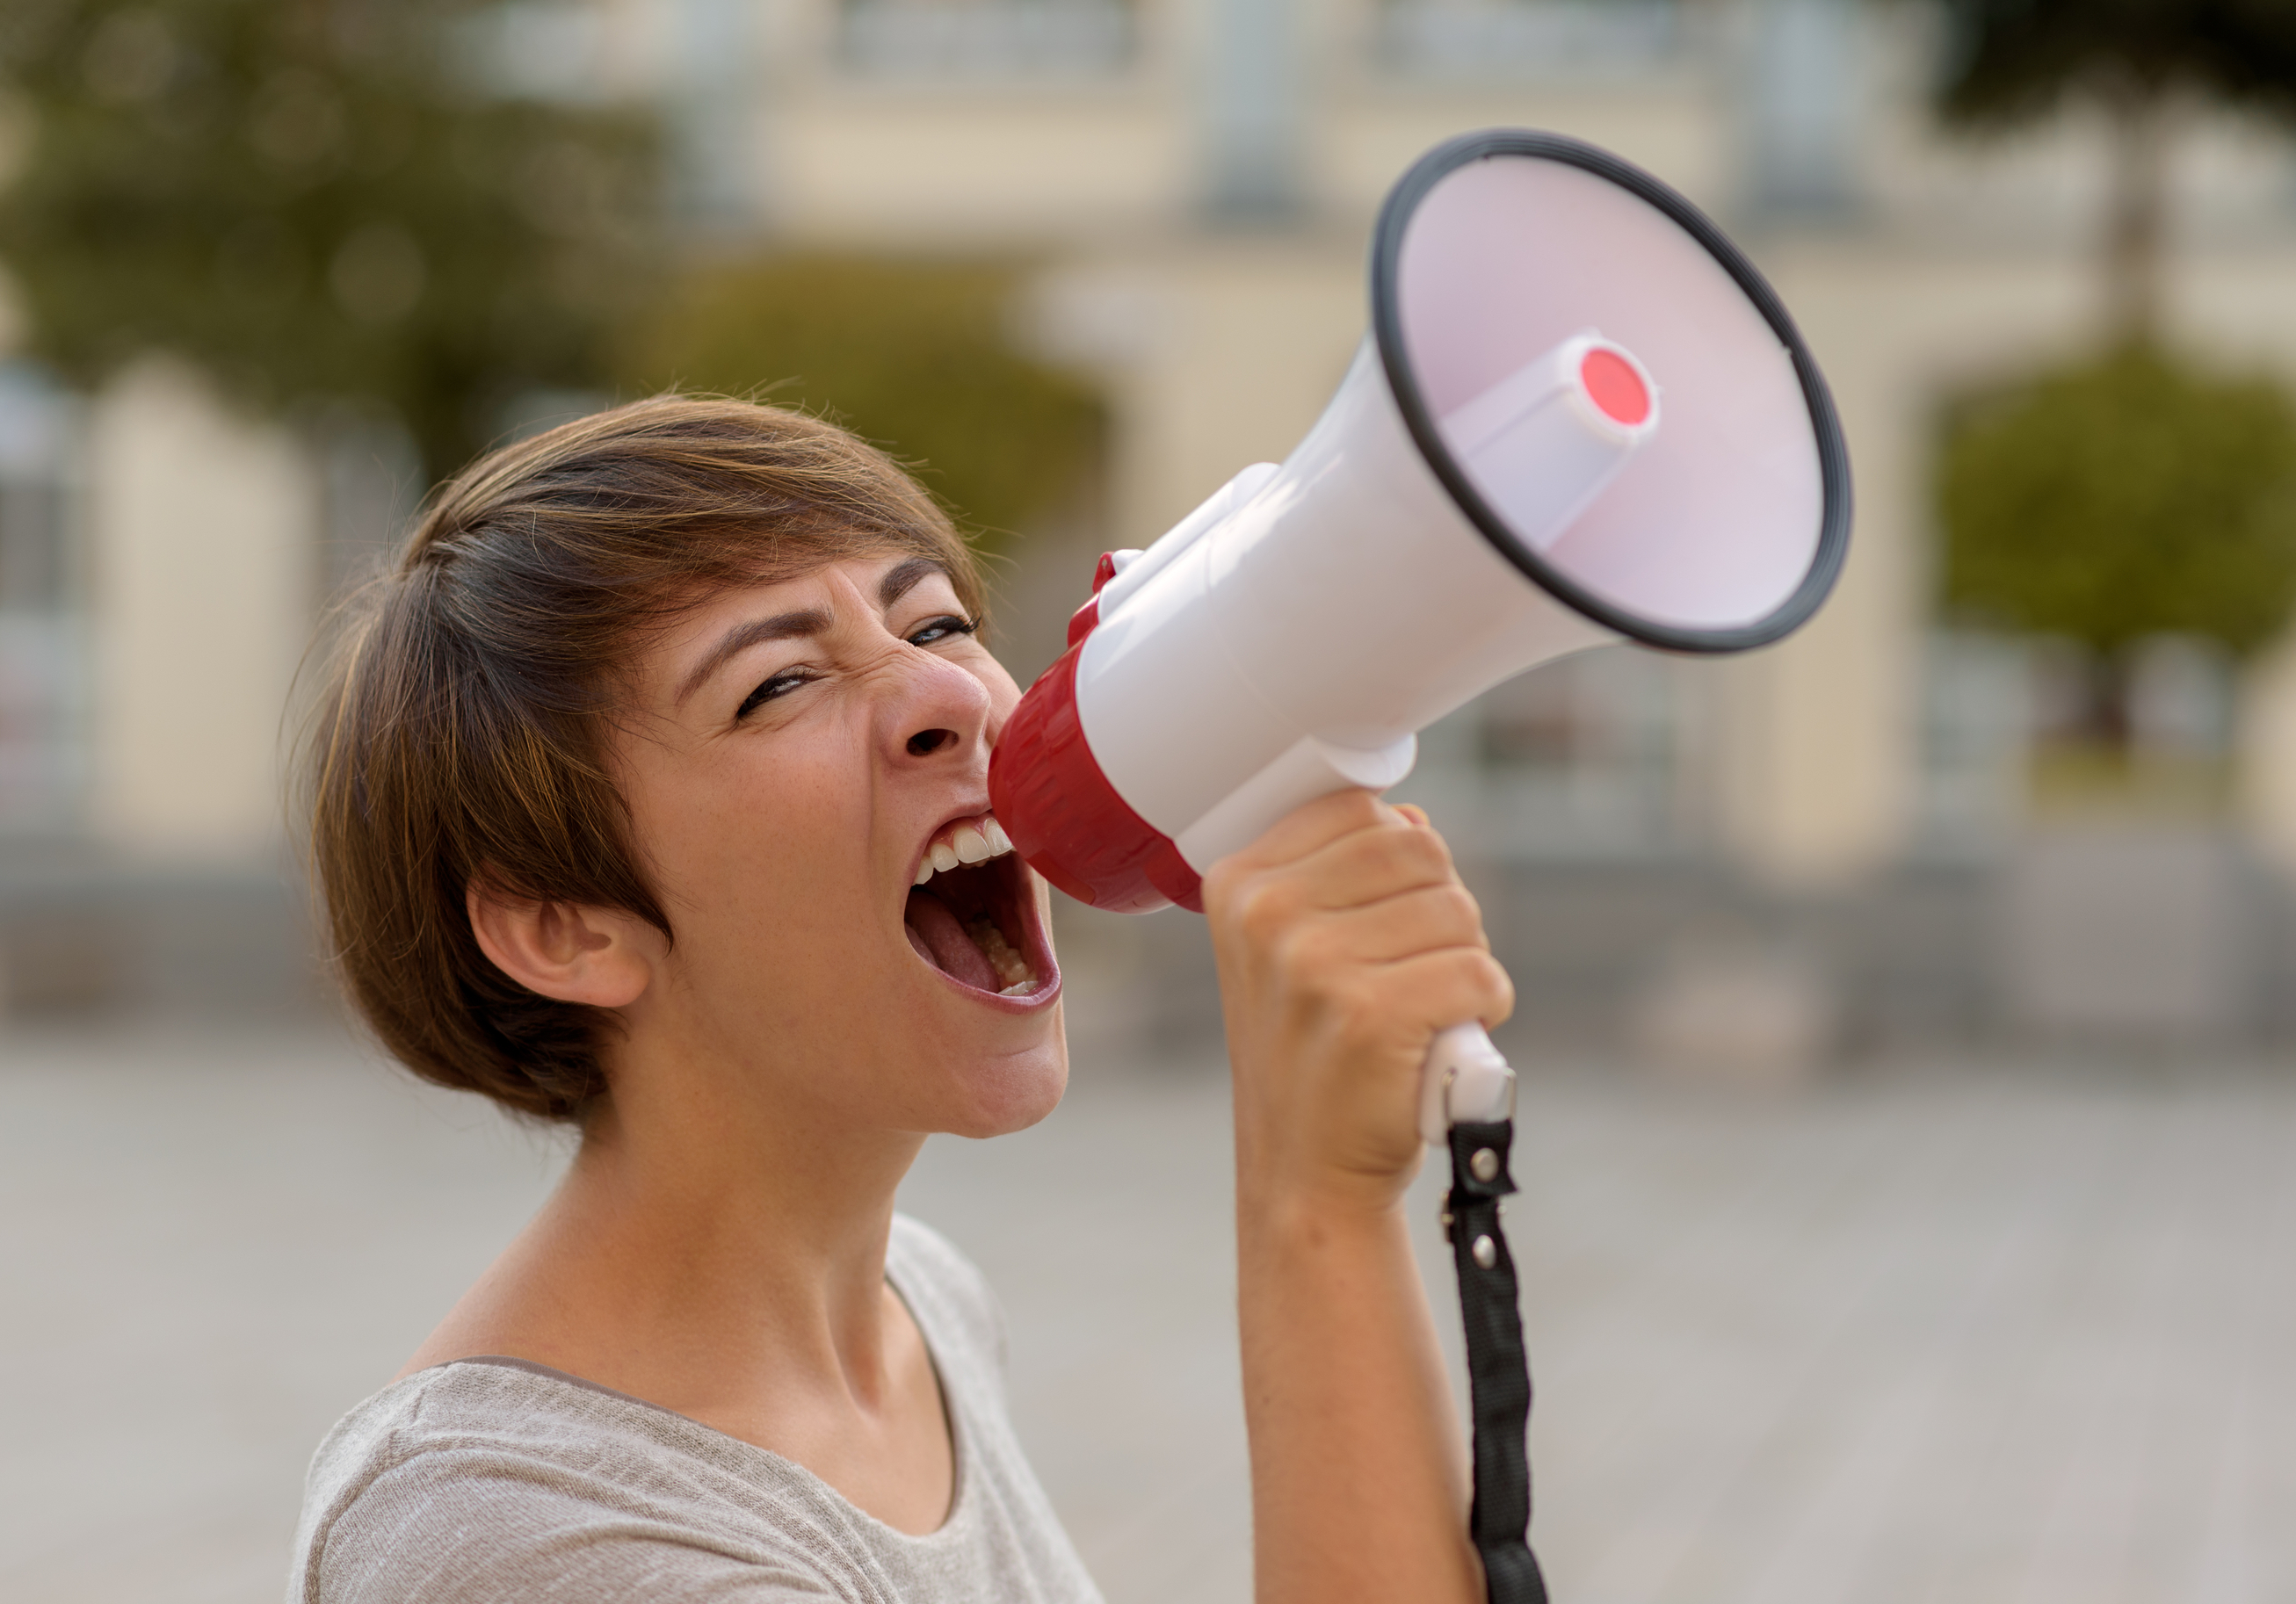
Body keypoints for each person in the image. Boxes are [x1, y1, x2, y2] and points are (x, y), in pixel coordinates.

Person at [292, 396, 1514, 1604]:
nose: (956, 697)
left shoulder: (917, 1306)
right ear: (564, 925)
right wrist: (1316, 1207)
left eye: (935, 623)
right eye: (776, 685)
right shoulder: (518, 1535)